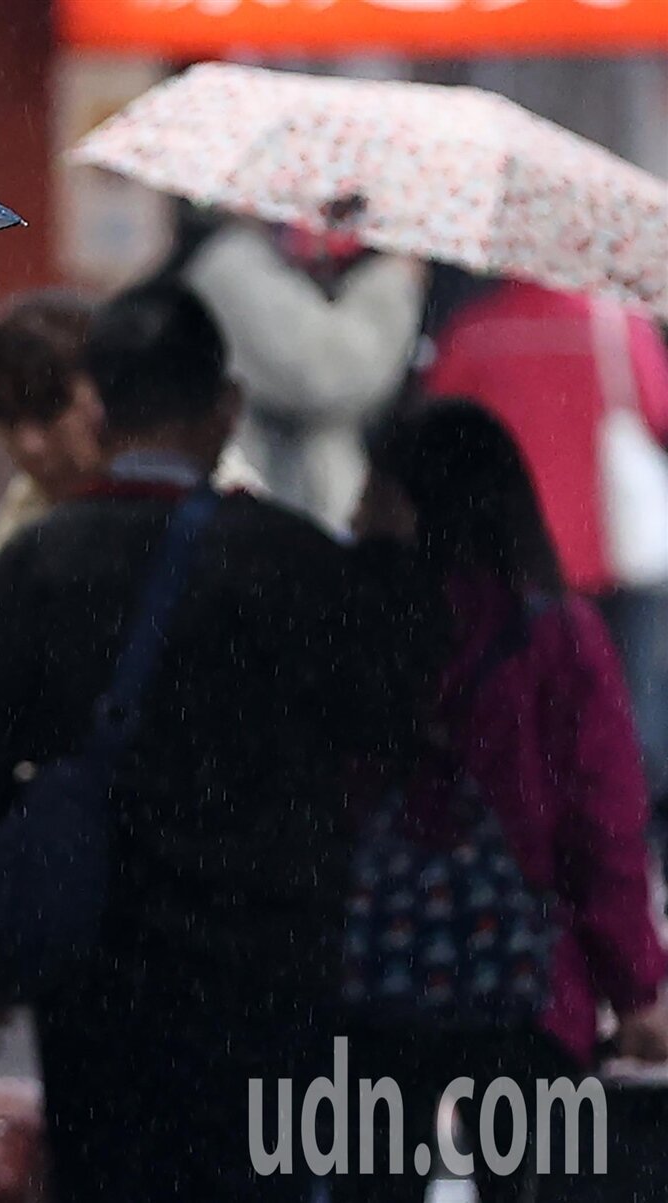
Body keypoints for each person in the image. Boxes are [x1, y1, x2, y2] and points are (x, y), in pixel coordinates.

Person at [0, 281, 436, 1201]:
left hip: (101, 984)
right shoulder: (300, 559)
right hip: (276, 974)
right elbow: (390, 736)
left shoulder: (39, 560)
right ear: (226, 405)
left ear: (99, 405)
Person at [336, 402, 668, 1203]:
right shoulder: (554, 634)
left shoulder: (345, 625)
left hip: (367, 976)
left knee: (370, 1182)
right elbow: (602, 827)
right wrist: (636, 984)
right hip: (524, 986)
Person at [424, 280, 668, 806]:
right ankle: (617, 843)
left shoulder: (474, 330)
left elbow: (437, 430)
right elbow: (657, 412)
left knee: (519, 731)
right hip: (606, 560)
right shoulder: (618, 324)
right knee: (619, 725)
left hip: (508, 563)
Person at [184, 218, 425, 533]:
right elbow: (327, 374)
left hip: (300, 507)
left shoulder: (291, 262)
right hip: (256, 508)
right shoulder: (231, 262)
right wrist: (394, 279)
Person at [0, 290, 102, 637]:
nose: (29, 445)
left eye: (49, 411)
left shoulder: (202, 501)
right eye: (8, 419)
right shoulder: (29, 501)